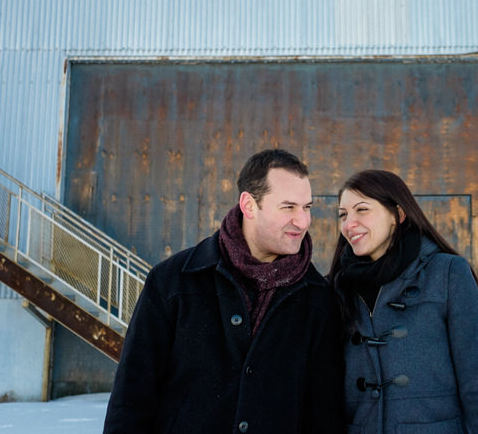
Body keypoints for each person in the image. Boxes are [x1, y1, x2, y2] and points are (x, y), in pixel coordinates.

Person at [103, 148, 343, 433]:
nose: (303, 221)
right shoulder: (173, 281)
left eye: (307, 207)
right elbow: (131, 398)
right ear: (249, 205)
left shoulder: (318, 298)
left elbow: (324, 416)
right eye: (288, 207)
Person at [329, 169, 478, 433]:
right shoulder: (335, 287)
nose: (349, 224)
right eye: (343, 215)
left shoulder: (448, 273)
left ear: (398, 215)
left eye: (362, 210)